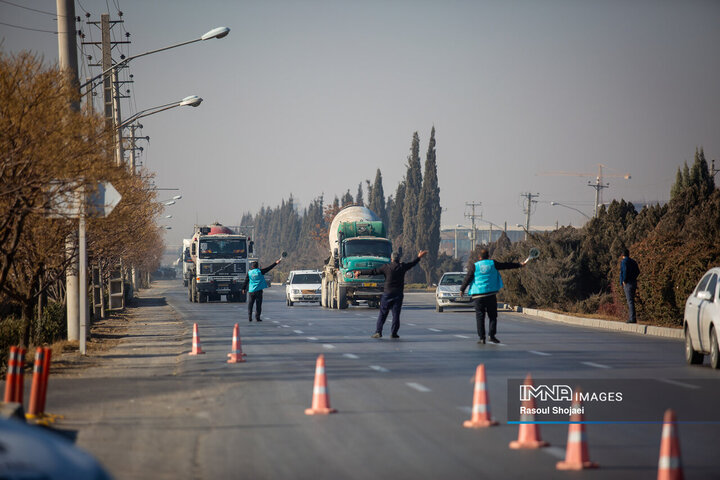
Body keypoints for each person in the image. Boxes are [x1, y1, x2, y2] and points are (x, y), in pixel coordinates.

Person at [354, 250, 428, 339]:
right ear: (399, 259)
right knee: (396, 315)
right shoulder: (402, 267)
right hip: (398, 294)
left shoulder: (386, 267)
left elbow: (374, 271)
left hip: (387, 294)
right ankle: (394, 333)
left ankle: (378, 332)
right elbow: (412, 264)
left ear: (391, 258)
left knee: (383, 314)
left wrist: (360, 272)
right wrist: (419, 257)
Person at [460, 249, 526, 344]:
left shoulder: (475, 266)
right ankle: (492, 335)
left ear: (479, 257)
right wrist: (519, 264)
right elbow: (506, 265)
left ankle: (482, 338)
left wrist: (462, 289)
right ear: (488, 256)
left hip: (478, 295)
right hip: (490, 294)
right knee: (492, 316)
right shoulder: (493, 263)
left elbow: (468, 278)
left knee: (480, 316)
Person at [241, 257, 282, 322]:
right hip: (259, 291)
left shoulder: (249, 273)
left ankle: (250, 317)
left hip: (251, 291)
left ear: (252, 266)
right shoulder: (260, 271)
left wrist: (243, 288)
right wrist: (275, 263)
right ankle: (257, 317)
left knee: (250, 304)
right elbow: (269, 268)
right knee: (258, 305)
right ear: (257, 266)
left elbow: (246, 281)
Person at [620, 248, 640, 324]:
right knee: (632, 300)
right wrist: (633, 277)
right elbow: (638, 271)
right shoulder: (633, 261)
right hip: (634, 282)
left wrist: (624, 280)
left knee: (630, 301)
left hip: (628, 283)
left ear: (622, 255)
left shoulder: (624, 262)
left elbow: (624, 271)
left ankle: (632, 318)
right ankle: (632, 317)